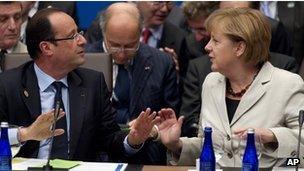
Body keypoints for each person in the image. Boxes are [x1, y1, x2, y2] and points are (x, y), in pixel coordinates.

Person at [0, 7, 159, 162]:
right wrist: (25, 134)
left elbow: (109, 139)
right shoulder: (7, 85)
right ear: (46, 48)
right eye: (72, 36)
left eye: (79, 33)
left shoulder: (93, 84)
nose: (83, 41)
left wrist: (132, 140)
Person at [158, 8, 304, 168]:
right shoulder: (211, 82)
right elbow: (208, 147)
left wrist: (272, 135)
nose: (207, 47)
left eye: (215, 41)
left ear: (239, 48)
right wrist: (177, 145)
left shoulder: (287, 84)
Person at [95, 2, 179, 164]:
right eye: (114, 45)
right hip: (97, 155)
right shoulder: (84, 60)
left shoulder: (161, 63)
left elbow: (168, 116)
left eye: (129, 46)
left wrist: (148, 128)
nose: (121, 53)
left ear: (140, 34)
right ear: (103, 33)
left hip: (145, 155)